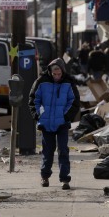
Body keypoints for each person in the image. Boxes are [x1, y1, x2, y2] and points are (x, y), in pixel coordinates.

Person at [28, 58, 80, 190]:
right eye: (54, 74)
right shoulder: (41, 82)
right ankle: (44, 177)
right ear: (50, 72)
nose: (57, 76)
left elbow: (73, 102)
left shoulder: (69, 83)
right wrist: (38, 115)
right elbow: (34, 99)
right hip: (46, 123)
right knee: (47, 151)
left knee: (63, 150)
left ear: (62, 72)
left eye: (59, 74)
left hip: (62, 123)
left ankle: (65, 179)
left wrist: (65, 116)